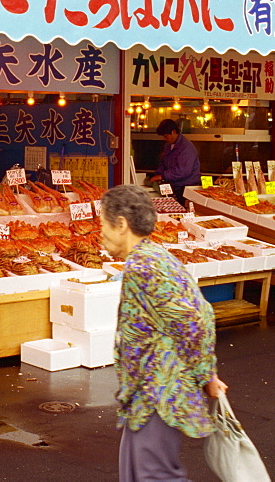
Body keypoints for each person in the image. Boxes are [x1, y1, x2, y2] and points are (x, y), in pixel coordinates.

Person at [99, 184, 227, 481]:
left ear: (121, 224)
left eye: (103, 223)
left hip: (160, 392)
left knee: (155, 476)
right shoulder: (155, 255)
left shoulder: (145, 266)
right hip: (145, 392)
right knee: (137, 472)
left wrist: (207, 375)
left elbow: (196, 319)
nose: (101, 232)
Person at [147, 119, 200, 204]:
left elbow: (183, 171)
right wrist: (157, 174)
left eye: (166, 136)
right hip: (173, 186)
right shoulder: (168, 146)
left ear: (173, 132)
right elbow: (163, 163)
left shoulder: (186, 148)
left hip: (185, 188)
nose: (164, 139)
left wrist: (162, 176)